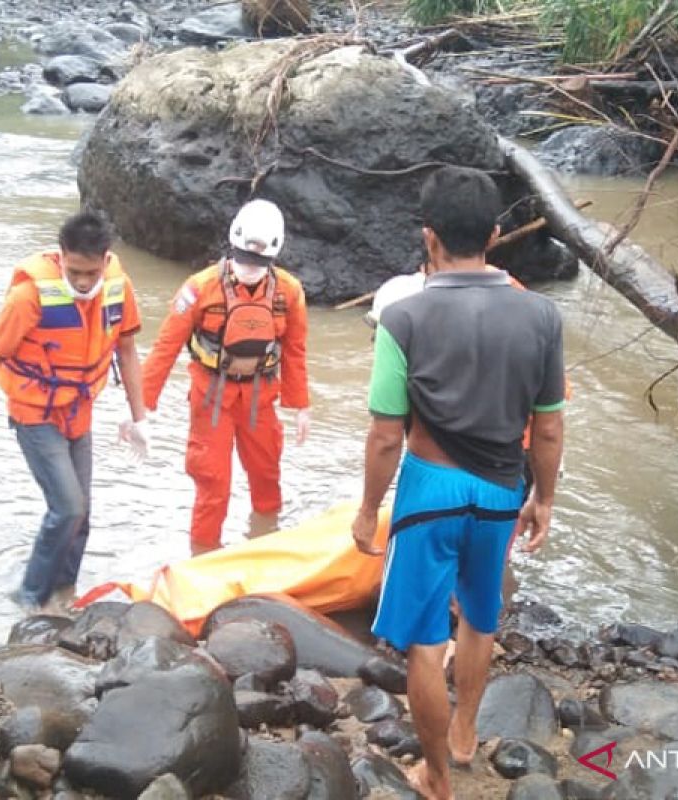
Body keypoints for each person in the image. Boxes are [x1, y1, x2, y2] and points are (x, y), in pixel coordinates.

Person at [352, 166, 566, 800]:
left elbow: (386, 433)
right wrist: (543, 498)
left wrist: (368, 511)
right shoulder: (541, 316)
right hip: (501, 491)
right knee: (479, 616)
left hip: (429, 493)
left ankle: (438, 776)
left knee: (424, 638)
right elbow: (548, 429)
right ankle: (467, 733)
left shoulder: (404, 318)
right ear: (495, 234)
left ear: (429, 238)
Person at [0, 211, 148, 614]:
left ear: (106, 260)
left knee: (82, 513)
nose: (82, 282)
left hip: (79, 411)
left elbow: (126, 350)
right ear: (61, 256)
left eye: (90, 272)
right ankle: (30, 600)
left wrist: (140, 419)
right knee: (67, 506)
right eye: (73, 271)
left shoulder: (118, 289)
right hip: (34, 415)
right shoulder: (28, 297)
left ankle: (65, 596)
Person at [142, 199, 311, 556]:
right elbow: (165, 346)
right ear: (232, 245)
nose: (251, 269)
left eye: (259, 263)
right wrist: (141, 406)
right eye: (244, 259)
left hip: (261, 397)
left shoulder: (289, 292)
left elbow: (295, 349)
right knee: (212, 482)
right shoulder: (199, 288)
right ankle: (203, 556)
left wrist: (301, 407)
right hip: (211, 397)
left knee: (267, 475)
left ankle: (265, 541)